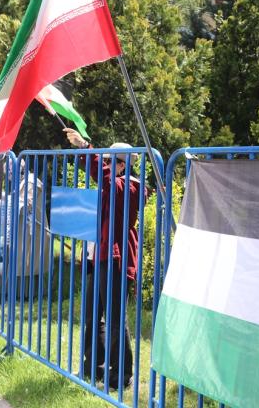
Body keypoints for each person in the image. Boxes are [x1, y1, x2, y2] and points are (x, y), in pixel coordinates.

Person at [64, 128, 146, 390]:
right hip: (97, 256)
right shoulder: (111, 185)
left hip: (115, 260)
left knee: (114, 319)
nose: (108, 165)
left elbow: (107, 180)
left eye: (111, 161)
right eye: (106, 160)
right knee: (92, 316)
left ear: (123, 165)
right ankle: (94, 367)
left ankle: (122, 374)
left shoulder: (131, 187)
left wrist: (85, 147)